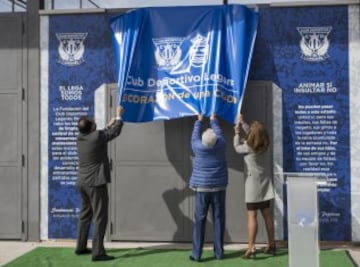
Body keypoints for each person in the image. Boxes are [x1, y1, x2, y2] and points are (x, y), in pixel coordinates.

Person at [75, 106, 124, 261]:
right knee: (100, 217)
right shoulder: (97, 137)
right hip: (95, 183)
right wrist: (119, 116)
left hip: (82, 182)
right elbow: (114, 133)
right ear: (92, 128)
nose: (95, 123)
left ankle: (81, 247)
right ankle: (98, 252)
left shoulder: (80, 138)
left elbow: (101, 134)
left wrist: (108, 124)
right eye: (93, 122)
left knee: (85, 215)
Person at [233, 114, 275, 259]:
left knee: (252, 216)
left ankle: (251, 247)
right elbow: (254, 135)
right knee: (267, 215)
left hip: (252, 185)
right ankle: (272, 243)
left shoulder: (248, 147)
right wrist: (244, 123)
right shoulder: (266, 145)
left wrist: (237, 134)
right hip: (265, 185)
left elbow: (237, 148)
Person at [189, 113, 228, 262]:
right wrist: (213, 119)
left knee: (199, 221)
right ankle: (219, 253)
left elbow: (194, 135)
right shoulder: (221, 145)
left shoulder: (198, 146)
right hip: (218, 188)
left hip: (202, 189)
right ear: (216, 141)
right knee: (219, 219)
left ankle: (196, 254)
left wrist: (199, 121)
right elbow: (218, 132)